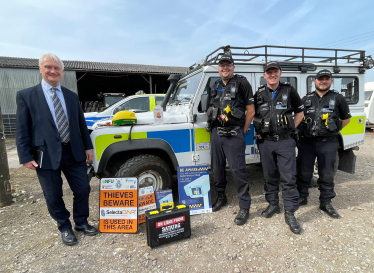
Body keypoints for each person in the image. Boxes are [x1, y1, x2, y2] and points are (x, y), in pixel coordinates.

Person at [16, 53, 98, 246]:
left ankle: (81, 222)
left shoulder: (71, 96)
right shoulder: (26, 96)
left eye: (56, 68)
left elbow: (80, 123)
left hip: (74, 151)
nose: (53, 71)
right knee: (53, 194)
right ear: (41, 69)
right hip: (45, 155)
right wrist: (25, 156)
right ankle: (64, 227)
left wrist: (88, 146)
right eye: (48, 67)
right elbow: (22, 128)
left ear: (62, 71)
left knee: (83, 188)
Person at [253, 61, 304, 234]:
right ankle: (273, 204)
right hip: (266, 142)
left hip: (285, 141)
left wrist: (292, 129)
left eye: (275, 72)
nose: (272, 75)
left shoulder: (289, 90)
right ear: (264, 75)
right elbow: (253, 113)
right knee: (269, 175)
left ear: (280, 73)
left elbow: (300, 112)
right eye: (269, 72)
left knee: (288, 177)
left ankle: (290, 212)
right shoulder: (258, 94)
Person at [206, 50, 255, 225]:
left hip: (234, 133)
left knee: (238, 170)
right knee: (217, 168)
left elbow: (251, 110)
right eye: (222, 65)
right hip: (216, 133)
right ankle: (221, 197)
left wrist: (242, 129)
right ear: (218, 68)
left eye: (228, 65)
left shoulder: (242, 83)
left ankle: (244, 206)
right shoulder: (215, 85)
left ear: (233, 67)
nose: (225, 68)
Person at [296, 69, 351, 218]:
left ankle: (325, 202)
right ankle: (302, 196)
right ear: (314, 81)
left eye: (326, 79)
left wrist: (336, 128)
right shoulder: (306, 98)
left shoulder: (338, 98)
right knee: (304, 172)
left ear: (331, 81)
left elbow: (347, 118)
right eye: (320, 79)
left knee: (326, 173)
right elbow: (298, 116)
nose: (323, 81)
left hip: (328, 142)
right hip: (307, 142)